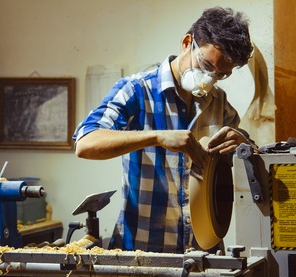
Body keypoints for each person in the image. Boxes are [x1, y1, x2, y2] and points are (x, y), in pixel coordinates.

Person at [73, 6, 255, 254]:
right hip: (142, 253)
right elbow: (85, 143)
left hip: (203, 252)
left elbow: (249, 162)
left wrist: (243, 143)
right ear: (186, 42)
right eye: (206, 65)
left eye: (221, 74)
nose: (210, 78)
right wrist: (157, 137)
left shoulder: (218, 101)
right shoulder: (137, 91)